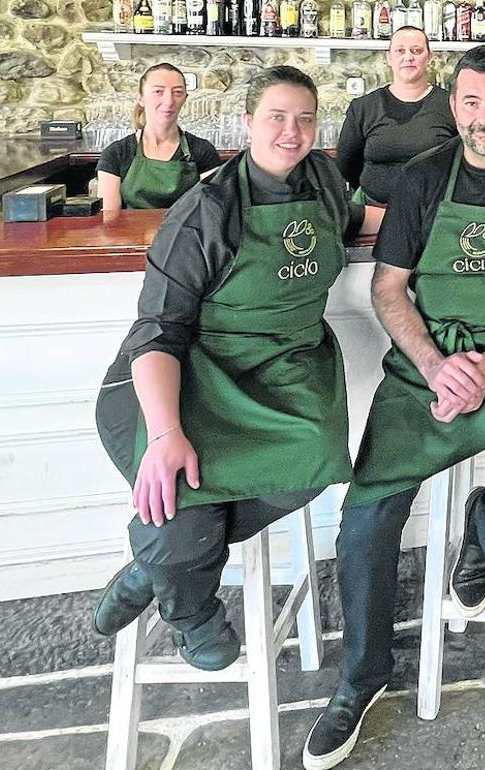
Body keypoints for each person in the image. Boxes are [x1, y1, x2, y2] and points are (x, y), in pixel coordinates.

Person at [302, 45, 485, 770]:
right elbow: (388, 289)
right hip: (426, 364)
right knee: (366, 511)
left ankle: (483, 533)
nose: (484, 117)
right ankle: (361, 677)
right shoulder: (423, 178)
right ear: (452, 104)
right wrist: (436, 365)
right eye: (470, 101)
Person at [92, 66, 382, 672]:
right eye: (276, 116)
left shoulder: (325, 179)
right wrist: (167, 434)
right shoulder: (206, 209)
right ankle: (190, 608)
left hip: (288, 372)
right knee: (177, 501)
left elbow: (352, 223)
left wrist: (422, 217)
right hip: (193, 373)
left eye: (305, 118)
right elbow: (157, 332)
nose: (292, 131)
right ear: (248, 123)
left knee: (314, 463)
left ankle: (157, 568)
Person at [335, 25, 457, 204]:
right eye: (400, 51)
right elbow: (346, 166)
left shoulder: (452, 106)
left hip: (434, 212)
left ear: (429, 57)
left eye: (417, 50)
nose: (408, 57)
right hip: (373, 211)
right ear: (389, 58)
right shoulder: (364, 107)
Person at [97, 63, 221, 210]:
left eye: (177, 92)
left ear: (185, 99)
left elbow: (212, 212)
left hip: (186, 233)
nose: (169, 101)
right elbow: (109, 219)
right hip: (131, 233)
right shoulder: (116, 153)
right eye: (158, 91)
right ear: (141, 98)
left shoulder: (202, 151)